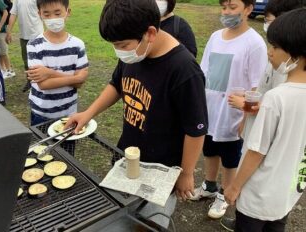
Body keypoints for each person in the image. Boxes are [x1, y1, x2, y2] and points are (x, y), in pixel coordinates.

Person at [64, 0, 208, 228]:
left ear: (150, 32)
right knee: (121, 219)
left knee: (150, 223)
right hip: (128, 154)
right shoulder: (137, 53)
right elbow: (117, 85)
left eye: (122, 44)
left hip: (162, 170)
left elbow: (196, 129)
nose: (119, 51)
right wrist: (87, 114)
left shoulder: (184, 70)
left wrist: (187, 173)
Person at [220, 0, 306, 230]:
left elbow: (256, 152)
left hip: (257, 195)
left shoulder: (276, 99)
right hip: (285, 195)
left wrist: (234, 186)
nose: (269, 52)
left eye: (275, 46)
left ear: (295, 53)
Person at [189, 0, 267, 220]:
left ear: (249, 9)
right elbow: (204, 71)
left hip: (233, 113)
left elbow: (256, 86)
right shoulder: (215, 36)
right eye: (224, 7)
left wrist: (245, 114)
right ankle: (209, 186)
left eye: (233, 7)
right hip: (210, 108)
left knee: (230, 157)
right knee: (210, 149)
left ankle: (225, 193)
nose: (226, 12)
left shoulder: (254, 43)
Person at [26, 0, 88, 126]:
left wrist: (49, 72)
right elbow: (43, 85)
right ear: (39, 14)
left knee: (67, 146)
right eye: (47, 14)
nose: (52, 18)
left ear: (67, 12)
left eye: (57, 13)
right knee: (43, 146)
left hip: (69, 113)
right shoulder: (34, 45)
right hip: (41, 113)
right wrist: (75, 78)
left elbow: (79, 83)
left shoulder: (77, 45)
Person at [6, 0, 43, 92]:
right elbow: (13, 14)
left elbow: (44, 13)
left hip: (37, 35)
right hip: (24, 36)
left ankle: (41, 82)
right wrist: (9, 31)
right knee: (27, 62)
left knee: (40, 61)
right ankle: (30, 82)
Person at [0, 0, 15, 79]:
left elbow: (5, 13)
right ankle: (3, 69)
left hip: (1, 30)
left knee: (3, 51)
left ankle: (10, 70)